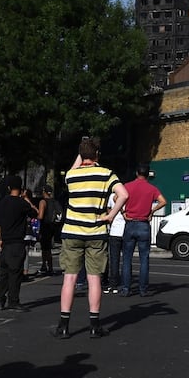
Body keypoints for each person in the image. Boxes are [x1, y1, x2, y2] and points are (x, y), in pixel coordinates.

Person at [51, 137, 128, 339]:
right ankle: (94, 325)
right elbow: (124, 195)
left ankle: (64, 325)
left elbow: (78, 163)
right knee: (94, 279)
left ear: (81, 155)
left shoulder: (71, 176)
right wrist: (111, 215)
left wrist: (83, 148)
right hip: (96, 232)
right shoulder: (106, 174)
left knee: (69, 278)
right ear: (97, 155)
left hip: (72, 232)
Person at [121, 164, 167, 297]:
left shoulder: (128, 186)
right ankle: (143, 289)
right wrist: (152, 211)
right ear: (148, 174)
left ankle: (126, 288)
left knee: (127, 258)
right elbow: (163, 201)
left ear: (136, 173)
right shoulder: (152, 189)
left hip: (130, 223)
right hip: (143, 224)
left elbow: (116, 198)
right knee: (144, 258)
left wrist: (123, 212)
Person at [0, 176, 38, 311]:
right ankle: (13, 300)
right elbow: (36, 213)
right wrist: (26, 199)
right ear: (21, 189)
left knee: (3, 274)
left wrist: (0, 239)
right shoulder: (22, 203)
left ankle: (1, 300)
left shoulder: (2, 202)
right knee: (15, 273)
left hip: (5, 242)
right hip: (17, 243)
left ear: (8, 188)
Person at [37, 185, 63, 275]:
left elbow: (40, 216)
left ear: (44, 192)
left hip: (45, 226)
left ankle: (45, 266)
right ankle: (49, 266)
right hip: (53, 226)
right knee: (48, 248)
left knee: (45, 248)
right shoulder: (54, 201)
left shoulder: (43, 202)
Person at [105, 190, 126, 294]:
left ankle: (113, 283)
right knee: (126, 260)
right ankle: (125, 283)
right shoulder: (128, 196)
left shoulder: (112, 196)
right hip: (126, 230)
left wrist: (111, 217)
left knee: (114, 259)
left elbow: (109, 208)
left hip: (114, 230)